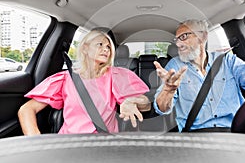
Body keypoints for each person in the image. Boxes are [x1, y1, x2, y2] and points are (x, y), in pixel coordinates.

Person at [153, 19, 245, 132]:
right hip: (196, 136)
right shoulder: (175, 66)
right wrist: (168, 91)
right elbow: (162, 107)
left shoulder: (227, 61)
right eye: (176, 39)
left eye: (184, 36)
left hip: (236, 132)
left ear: (203, 37)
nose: (178, 44)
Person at [18, 28, 151, 135]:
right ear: (85, 48)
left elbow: (147, 103)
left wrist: (130, 101)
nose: (106, 49)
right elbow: (26, 110)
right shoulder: (65, 78)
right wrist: (36, 143)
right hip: (68, 145)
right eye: (100, 45)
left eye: (109, 47)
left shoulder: (118, 75)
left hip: (101, 146)